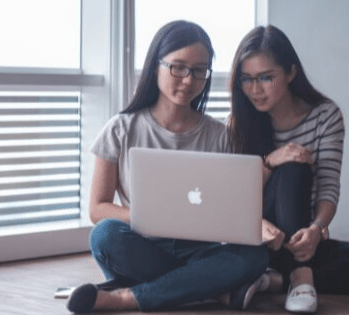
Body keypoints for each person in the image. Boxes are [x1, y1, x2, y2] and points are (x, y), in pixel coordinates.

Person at [65, 20, 268, 313]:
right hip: (142, 245)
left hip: (200, 249)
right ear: (155, 66)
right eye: (178, 67)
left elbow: (230, 208)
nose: (188, 80)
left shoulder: (220, 135)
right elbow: (98, 209)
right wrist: (148, 217)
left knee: (254, 256)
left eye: (199, 71)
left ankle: (126, 298)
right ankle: (210, 290)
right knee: (104, 235)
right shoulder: (120, 129)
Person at [226, 25, 349, 314]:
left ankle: (275, 280)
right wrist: (272, 160)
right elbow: (235, 198)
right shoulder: (237, 123)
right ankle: (300, 276)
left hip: (300, 236)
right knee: (294, 163)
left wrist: (316, 229)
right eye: (246, 79)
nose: (255, 90)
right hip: (258, 238)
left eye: (266, 78)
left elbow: (329, 185)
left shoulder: (325, 115)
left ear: (291, 73)